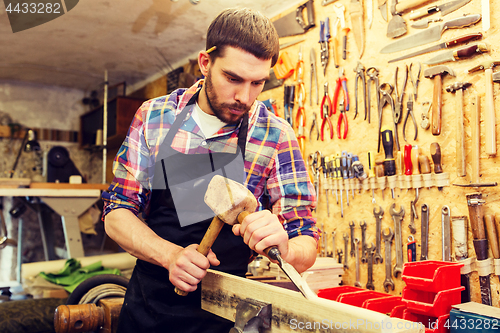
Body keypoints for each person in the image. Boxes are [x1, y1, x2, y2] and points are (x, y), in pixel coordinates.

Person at [102, 7, 318, 333]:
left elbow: (307, 242)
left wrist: (286, 248)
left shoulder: (275, 135)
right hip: (150, 309)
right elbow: (117, 213)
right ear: (205, 63)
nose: (244, 97)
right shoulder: (155, 117)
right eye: (233, 78)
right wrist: (170, 256)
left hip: (225, 317)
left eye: (257, 83)